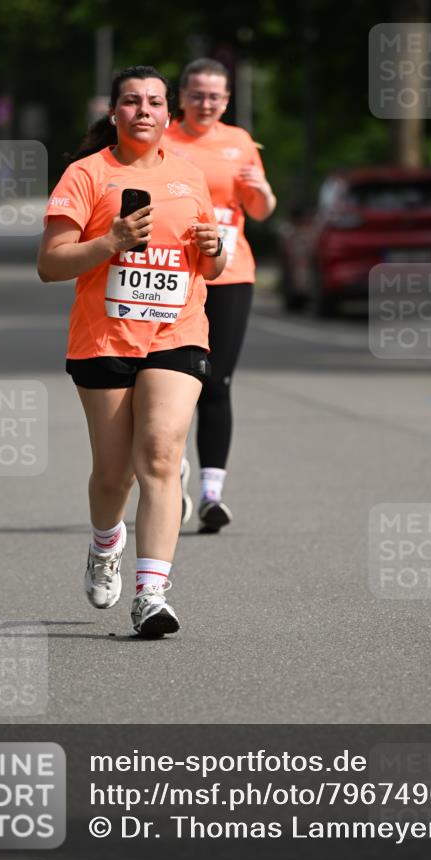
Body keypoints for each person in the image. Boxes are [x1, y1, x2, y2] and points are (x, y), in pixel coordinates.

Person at [37, 66, 226, 638]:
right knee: (114, 474)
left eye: (154, 102)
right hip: (104, 338)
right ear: (114, 112)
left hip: (177, 332)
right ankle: (105, 543)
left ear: (169, 114)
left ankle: (152, 594)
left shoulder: (189, 176)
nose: (143, 110)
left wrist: (215, 249)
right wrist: (111, 242)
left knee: (162, 456)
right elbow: (50, 264)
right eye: (131, 101)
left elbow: (210, 268)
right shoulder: (87, 174)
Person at [163, 58, 277, 533]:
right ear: (182, 97)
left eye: (214, 96)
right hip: (176, 273)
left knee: (217, 382)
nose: (205, 103)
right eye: (197, 94)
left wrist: (263, 190)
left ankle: (212, 494)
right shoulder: (163, 139)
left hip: (231, 273)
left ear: (226, 100)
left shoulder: (240, 142)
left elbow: (261, 210)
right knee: (171, 382)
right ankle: (171, 474)